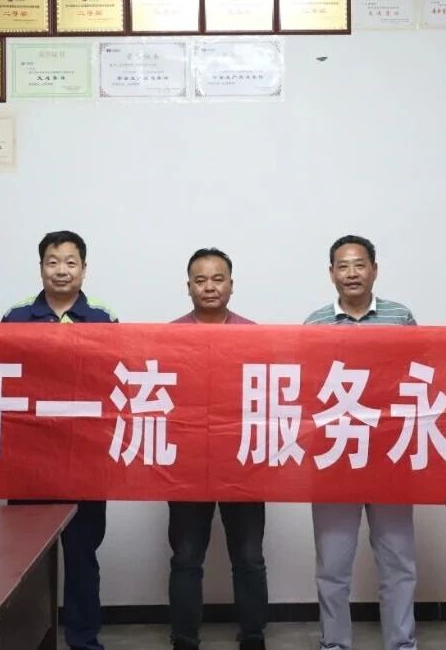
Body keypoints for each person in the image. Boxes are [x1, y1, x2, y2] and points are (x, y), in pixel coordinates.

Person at [2, 230, 117, 650]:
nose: (61, 270)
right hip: (29, 458)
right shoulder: (16, 318)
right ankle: (29, 640)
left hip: (84, 458)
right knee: (28, 557)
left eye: (71, 262)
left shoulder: (103, 318)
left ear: (84, 269)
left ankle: (83, 640)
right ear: (41, 268)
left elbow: (114, 381)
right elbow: (1, 380)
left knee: (82, 554)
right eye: (53, 262)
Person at [305, 235, 417, 650]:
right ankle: (334, 645)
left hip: (390, 456)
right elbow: (308, 390)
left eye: (359, 264)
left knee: (398, 562)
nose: (352, 273)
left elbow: (418, 377)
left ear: (374, 269)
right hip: (335, 456)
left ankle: (402, 645)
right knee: (332, 566)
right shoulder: (315, 324)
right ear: (331, 273)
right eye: (343, 266)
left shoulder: (400, 317)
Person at [169, 248, 266, 650]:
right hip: (187, 466)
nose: (209, 287)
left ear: (231, 284)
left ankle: (253, 634)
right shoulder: (169, 337)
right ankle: (184, 636)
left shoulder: (254, 335)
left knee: (249, 556)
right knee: (186, 556)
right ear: (188, 286)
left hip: (242, 462)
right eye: (201, 280)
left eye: (217, 279)